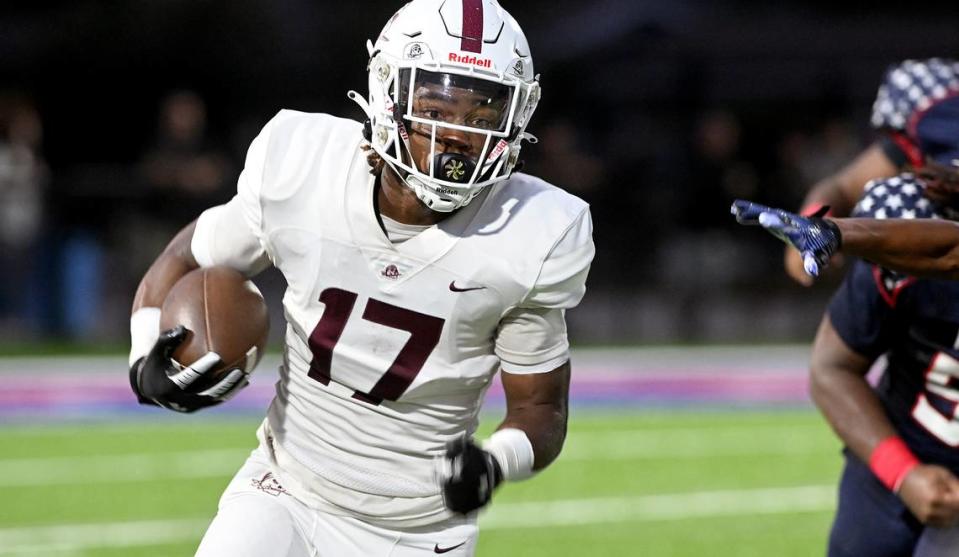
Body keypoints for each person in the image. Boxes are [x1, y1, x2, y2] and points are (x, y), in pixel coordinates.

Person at [126, 1, 594, 556]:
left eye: (483, 114)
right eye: (437, 104)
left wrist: (496, 460)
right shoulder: (303, 168)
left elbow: (541, 409)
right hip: (284, 491)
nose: (458, 136)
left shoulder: (530, 233)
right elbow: (187, 256)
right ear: (387, 94)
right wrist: (142, 357)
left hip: (419, 533)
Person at [783, 58, 959, 285]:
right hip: (927, 291)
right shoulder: (940, 118)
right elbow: (843, 188)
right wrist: (812, 224)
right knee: (886, 207)